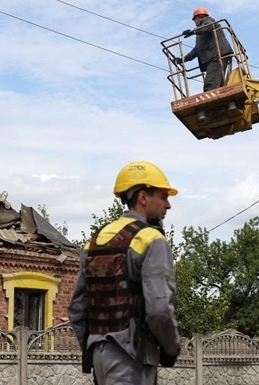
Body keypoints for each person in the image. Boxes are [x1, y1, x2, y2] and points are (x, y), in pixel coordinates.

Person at [68, 161, 181, 385]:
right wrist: (171, 348)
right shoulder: (151, 239)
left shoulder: (95, 242)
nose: (168, 205)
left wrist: (94, 345)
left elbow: (77, 309)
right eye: (163, 196)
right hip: (133, 357)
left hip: (100, 356)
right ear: (143, 197)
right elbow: (159, 309)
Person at [174, 7, 234, 92]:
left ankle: (211, 102)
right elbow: (197, 49)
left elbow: (208, 27)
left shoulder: (208, 21)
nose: (195, 22)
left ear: (198, 18)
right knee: (219, 85)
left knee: (210, 86)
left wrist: (193, 32)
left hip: (217, 56)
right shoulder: (201, 31)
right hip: (214, 57)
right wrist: (183, 59)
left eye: (194, 20)